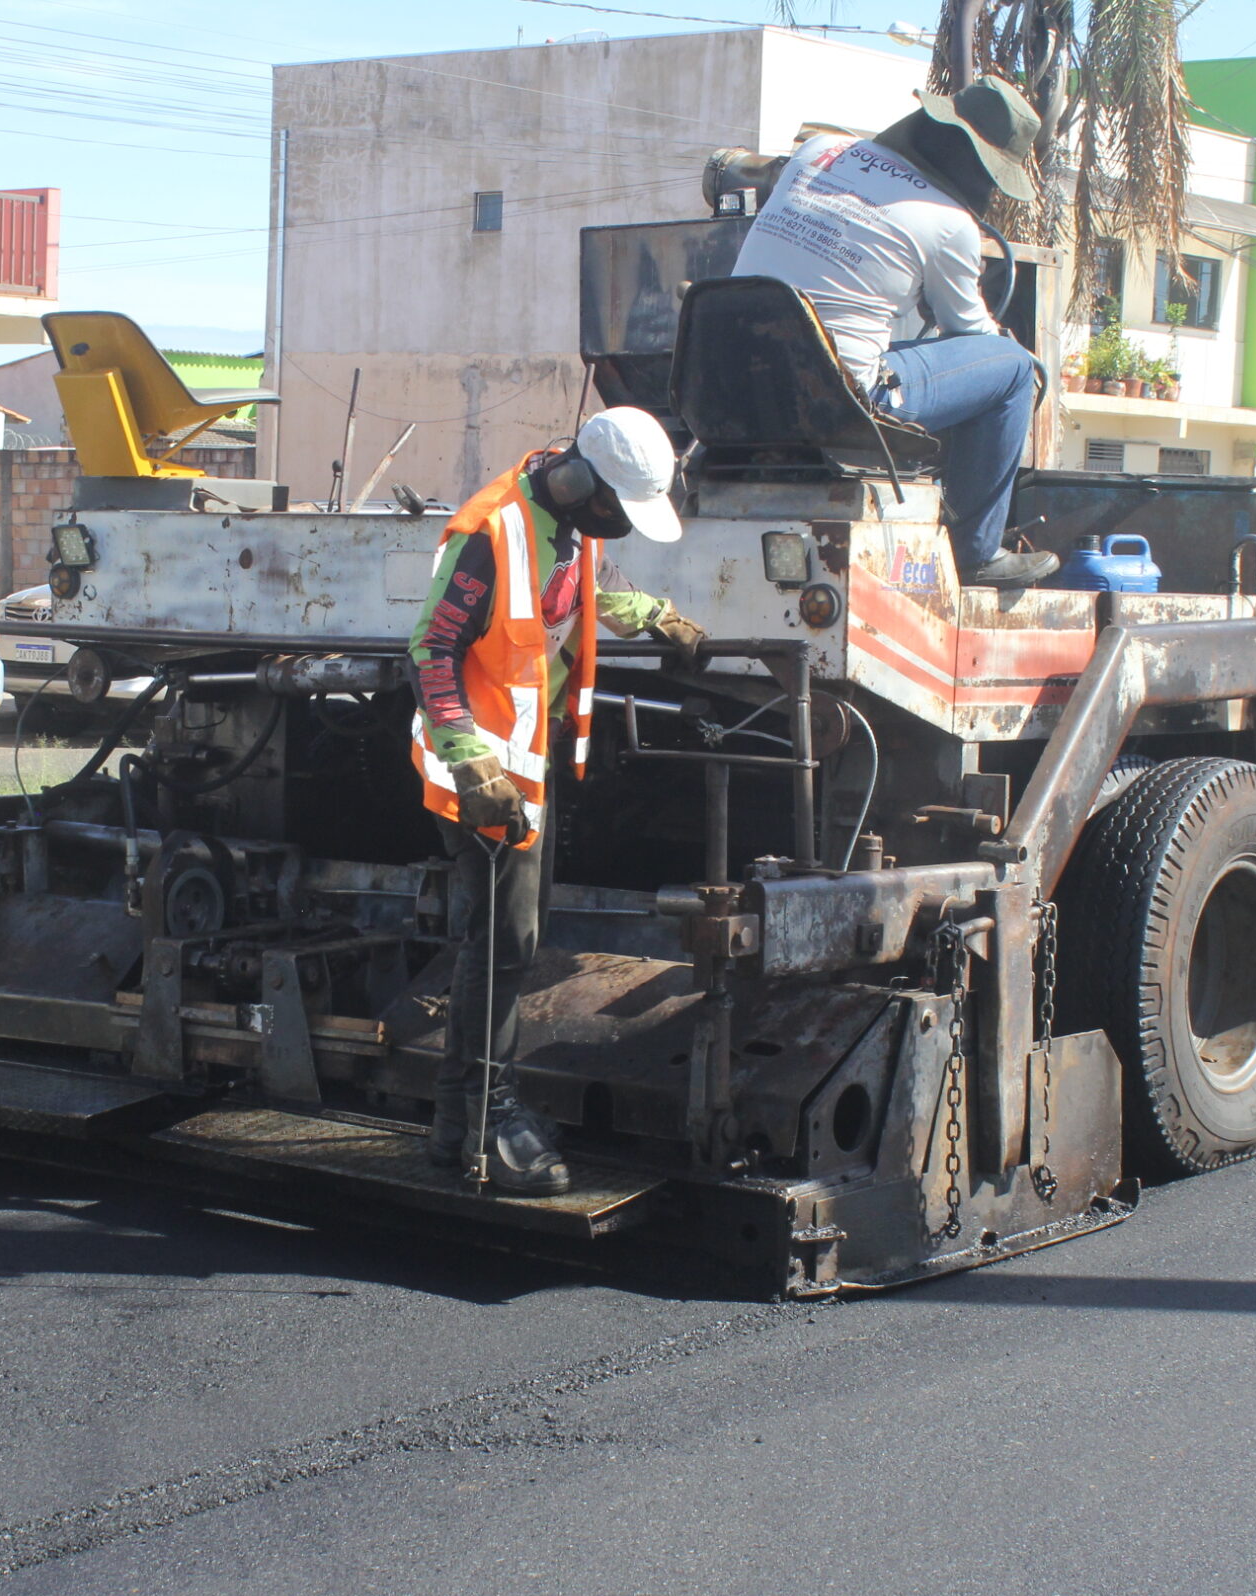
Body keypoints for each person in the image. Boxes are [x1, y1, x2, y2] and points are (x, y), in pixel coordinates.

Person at [408, 406, 708, 1195]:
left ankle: (456, 1126)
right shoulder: (491, 530)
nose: (621, 524)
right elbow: (430, 650)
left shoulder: (573, 520)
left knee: (504, 942)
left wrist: (653, 616)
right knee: (502, 945)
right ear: (582, 483)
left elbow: (575, 593)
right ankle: (486, 1118)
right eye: (618, 508)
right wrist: (472, 765)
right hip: (483, 778)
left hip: (524, 770)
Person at [730, 75, 1057, 587]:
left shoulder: (820, 149)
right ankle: (977, 552)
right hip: (840, 397)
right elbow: (970, 335)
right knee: (1014, 368)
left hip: (735, 377)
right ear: (981, 168)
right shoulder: (951, 225)